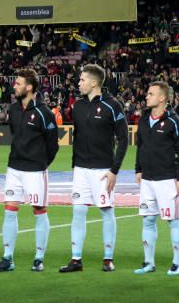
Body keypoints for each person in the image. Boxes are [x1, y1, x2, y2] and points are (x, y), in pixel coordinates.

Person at [60, 64, 127, 273]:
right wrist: (74, 166)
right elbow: (77, 137)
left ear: (94, 82)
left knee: (106, 211)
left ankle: (108, 259)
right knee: (78, 212)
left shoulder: (112, 105)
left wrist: (114, 170)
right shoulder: (78, 106)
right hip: (81, 169)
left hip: (102, 170)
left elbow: (123, 139)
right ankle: (76, 260)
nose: (78, 83)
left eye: (81, 80)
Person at [0, 68, 59, 272]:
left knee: (39, 211)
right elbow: (15, 134)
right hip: (14, 168)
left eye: (18, 83)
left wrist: (40, 164)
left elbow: (52, 144)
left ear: (29, 87)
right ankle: (7, 258)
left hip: (35, 170)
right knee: (9, 212)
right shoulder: (12, 109)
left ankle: (39, 258)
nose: (14, 86)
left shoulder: (44, 112)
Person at [133, 81, 179, 276]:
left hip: (167, 179)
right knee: (148, 220)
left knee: (173, 220)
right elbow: (140, 145)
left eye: (150, 94)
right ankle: (149, 262)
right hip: (147, 179)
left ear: (162, 98)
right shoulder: (144, 119)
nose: (146, 96)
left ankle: (176, 263)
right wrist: (138, 169)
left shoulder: (175, 122)